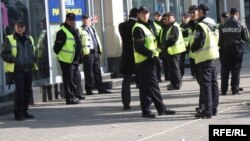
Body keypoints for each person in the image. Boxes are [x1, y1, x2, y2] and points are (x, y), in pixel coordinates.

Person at [132, 6, 175, 118]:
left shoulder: (148, 25)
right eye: (142, 13)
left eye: (146, 13)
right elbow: (139, 47)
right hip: (144, 61)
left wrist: (158, 52)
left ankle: (160, 109)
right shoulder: (138, 28)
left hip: (150, 60)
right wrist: (152, 54)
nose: (145, 15)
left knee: (151, 86)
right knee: (148, 87)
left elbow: (154, 42)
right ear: (138, 15)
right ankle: (148, 111)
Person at [1, 19, 38, 121]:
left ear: (25, 27)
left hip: (28, 68)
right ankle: (18, 113)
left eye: (21, 26)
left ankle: (25, 111)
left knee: (27, 91)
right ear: (15, 26)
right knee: (19, 92)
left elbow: (35, 51)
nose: (19, 28)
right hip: (17, 69)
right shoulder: (9, 38)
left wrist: (33, 59)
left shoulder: (29, 38)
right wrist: (15, 60)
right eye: (18, 26)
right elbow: (4, 53)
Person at [191, 4, 219, 119]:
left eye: (198, 10)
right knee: (214, 83)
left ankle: (207, 111)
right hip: (213, 56)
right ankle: (214, 109)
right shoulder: (213, 23)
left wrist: (192, 48)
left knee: (206, 85)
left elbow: (199, 41)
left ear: (201, 11)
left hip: (204, 58)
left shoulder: (201, 25)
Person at [53, 13, 84, 105]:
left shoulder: (75, 30)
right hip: (66, 61)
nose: (72, 22)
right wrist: (63, 57)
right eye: (70, 20)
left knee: (74, 79)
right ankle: (70, 98)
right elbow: (56, 48)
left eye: (73, 20)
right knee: (68, 80)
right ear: (66, 20)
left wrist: (80, 57)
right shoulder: (62, 32)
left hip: (75, 60)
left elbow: (78, 45)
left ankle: (74, 96)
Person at [78, 14, 111, 95]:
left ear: (90, 21)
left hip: (95, 52)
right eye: (84, 19)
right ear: (82, 21)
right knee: (88, 72)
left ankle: (100, 88)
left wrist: (99, 50)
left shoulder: (93, 28)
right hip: (87, 53)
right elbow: (79, 43)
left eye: (87, 19)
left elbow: (96, 39)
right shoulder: (80, 30)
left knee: (97, 71)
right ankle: (89, 90)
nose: (85, 21)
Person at [219, 8, 249, 95]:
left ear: (230, 14)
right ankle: (234, 90)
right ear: (237, 14)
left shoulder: (223, 24)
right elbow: (246, 38)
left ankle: (224, 90)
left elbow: (220, 40)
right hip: (237, 50)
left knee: (225, 70)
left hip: (225, 50)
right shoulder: (241, 24)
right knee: (236, 70)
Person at [118, 8, 138, 110]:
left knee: (126, 80)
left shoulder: (122, 25)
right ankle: (147, 100)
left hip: (126, 56)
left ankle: (126, 103)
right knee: (144, 79)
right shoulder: (138, 26)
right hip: (138, 55)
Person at [161, 12, 186, 90]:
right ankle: (173, 83)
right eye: (167, 17)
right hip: (171, 51)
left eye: (169, 17)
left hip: (174, 51)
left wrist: (165, 45)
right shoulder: (170, 26)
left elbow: (173, 39)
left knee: (175, 69)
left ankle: (177, 84)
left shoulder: (174, 27)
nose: (167, 19)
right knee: (172, 69)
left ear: (174, 18)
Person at [179, 12, 191, 78]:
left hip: (189, 46)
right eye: (184, 17)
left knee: (192, 60)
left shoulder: (191, 26)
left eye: (187, 17)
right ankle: (181, 74)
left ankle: (194, 73)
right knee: (181, 62)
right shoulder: (179, 25)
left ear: (189, 18)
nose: (185, 19)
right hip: (182, 46)